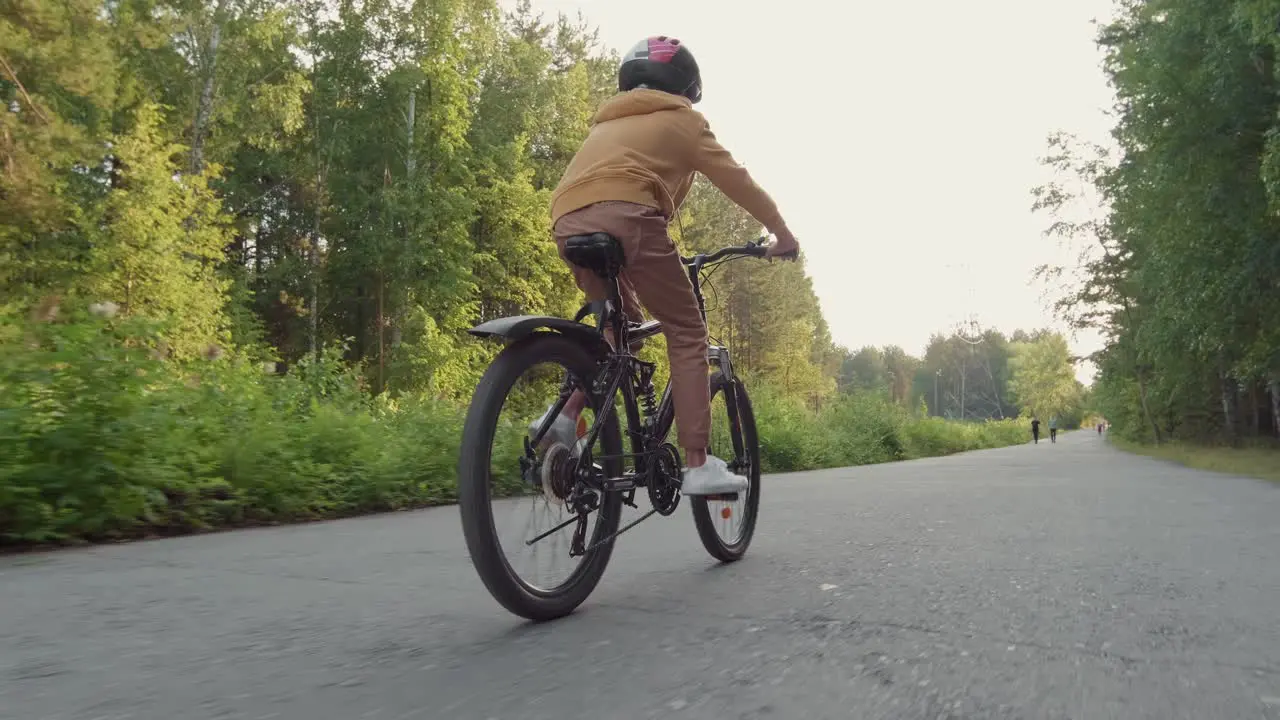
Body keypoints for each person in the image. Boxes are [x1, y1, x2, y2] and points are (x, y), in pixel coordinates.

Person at [532, 36, 800, 496]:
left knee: (618, 326)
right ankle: (697, 463)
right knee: (688, 330)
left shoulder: (606, 124)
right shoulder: (683, 121)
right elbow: (740, 182)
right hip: (629, 216)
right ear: (685, 87)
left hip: (567, 220)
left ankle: (566, 415)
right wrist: (783, 234)